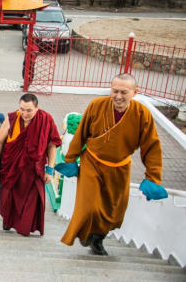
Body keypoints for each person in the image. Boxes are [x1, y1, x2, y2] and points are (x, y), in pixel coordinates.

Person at [59, 73, 163, 256]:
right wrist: (70, 160)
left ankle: (98, 238)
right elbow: (81, 134)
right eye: (115, 91)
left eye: (124, 92)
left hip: (119, 166)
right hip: (92, 161)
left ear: (135, 92)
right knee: (89, 205)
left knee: (113, 209)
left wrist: (153, 177)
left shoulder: (142, 114)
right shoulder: (97, 105)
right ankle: (86, 234)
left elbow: (151, 147)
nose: (119, 96)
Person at [0, 93, 61, 236]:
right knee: (9, 198)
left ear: (37, 108)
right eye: (22, 109)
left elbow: (52, 145)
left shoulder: (46, 120)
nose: (25, 113)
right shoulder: (12, 119)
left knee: (32, 200)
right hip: (13, 167)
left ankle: (25, 226)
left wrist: (50, 169)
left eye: (29, 110)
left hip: (34, 170)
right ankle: (8, 220)